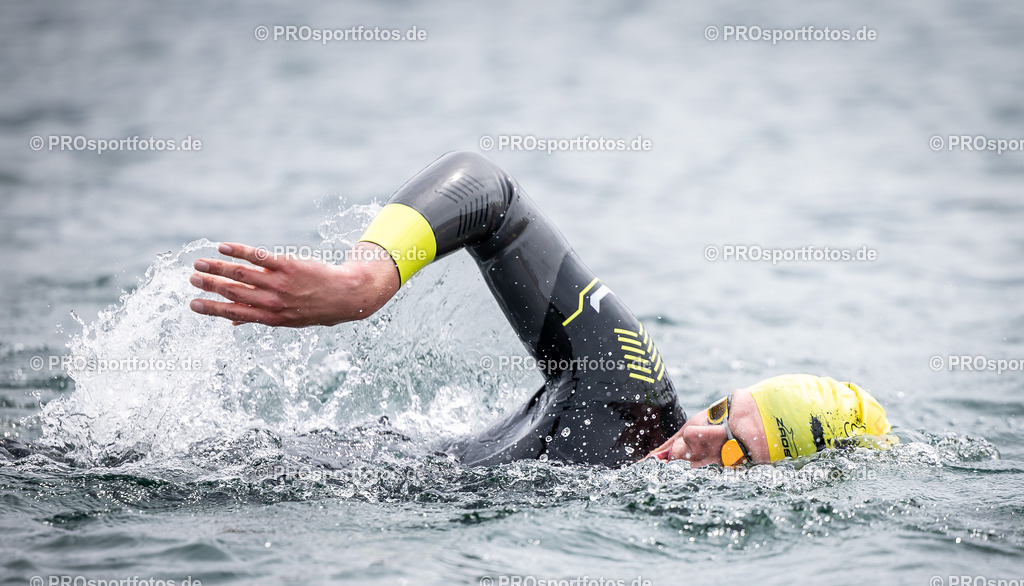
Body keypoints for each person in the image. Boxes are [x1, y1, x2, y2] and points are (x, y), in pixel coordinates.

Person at [189, 151, 893, 468]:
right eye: (718, 412)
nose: (695, 437)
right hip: (284, 468)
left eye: (733, 450)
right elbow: (490, 193)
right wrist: (365, 280)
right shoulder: (628, 393)